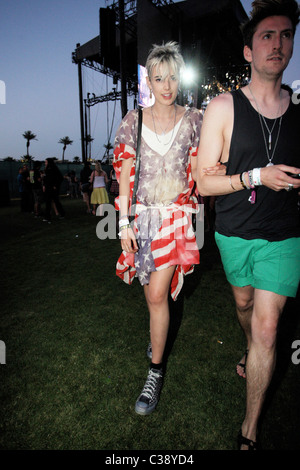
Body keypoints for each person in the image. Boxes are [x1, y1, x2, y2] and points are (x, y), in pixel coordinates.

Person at [197, 0, 300, 450]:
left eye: (286, 35)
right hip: (234, 234)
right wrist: (257, 176)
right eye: (266, 36)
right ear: (248, 51)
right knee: (244, 309)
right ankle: (246, 345)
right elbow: (203, 182)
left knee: (267, 327)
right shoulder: (223, 107)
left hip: (284, 236)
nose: (278, 44)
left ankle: (249, 433)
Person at [113, 41, 202, 416]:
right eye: (159, 77)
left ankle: (154, 371)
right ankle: (157, 335)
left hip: (175, 219)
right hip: (141, 218)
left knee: (155, 296)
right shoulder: (133, 120)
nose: (167, 85)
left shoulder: (195, 119)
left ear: (180, 78)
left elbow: (199, 172)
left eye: (172, 77)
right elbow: (124, 174)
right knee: (151, 292)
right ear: (148, 80)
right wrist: (122, 222)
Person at [42, 158, 65, 223]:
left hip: (53, 189)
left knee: (56, 202)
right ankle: (48, 217)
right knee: (48, 203)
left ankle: (61, 213)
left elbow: (60, 178)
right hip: (48, 188)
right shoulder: (46, 170)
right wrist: (44, 185)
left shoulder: (54, 169)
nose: (45, 163)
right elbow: (45, 179)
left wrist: (55, 185)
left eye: (46, 162)